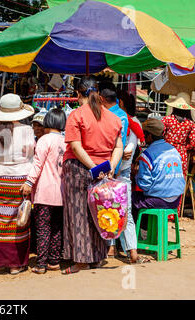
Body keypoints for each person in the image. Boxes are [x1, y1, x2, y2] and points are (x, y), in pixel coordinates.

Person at [62, 76, 123, 274]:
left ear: (79, 94)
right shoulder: (114, 118)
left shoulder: (76, 115)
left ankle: (81, 260)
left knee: (78, 214)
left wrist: (93, 168)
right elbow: (118, 147)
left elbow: (75, 146)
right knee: (100, 214)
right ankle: (97, 257)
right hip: (104, 170)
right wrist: (109, 167)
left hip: (79, 169)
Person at [0, 93, 35, 277]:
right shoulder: (27, 130)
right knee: (17, 221)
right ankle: (14, 264)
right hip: (19, 179)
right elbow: (31, 154)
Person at [100, 88, 147, 264]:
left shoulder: (109, 119)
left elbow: (127, 150)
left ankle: (112, 247)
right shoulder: (133, 122)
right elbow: (129, 150)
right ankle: (132, 251)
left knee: (109, 208)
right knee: (123, 210)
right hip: (123, 171)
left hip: (110, 169)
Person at [21, 108, 66, 274]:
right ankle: (54, 261)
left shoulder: (44, 140)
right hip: (61, 192)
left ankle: (41, 263)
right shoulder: (66, 141)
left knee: (42, 228)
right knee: (56, 228)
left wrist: (29, 182)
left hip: (44, 192)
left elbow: (37, 164)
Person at [133, 119, 185, 220]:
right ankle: (150, 232)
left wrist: (136, 175)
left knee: (131, 198)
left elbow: (145, 186)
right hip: (176, 199)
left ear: (149, 136)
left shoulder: (147, 155)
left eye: (144, 135)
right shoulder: (173, 150)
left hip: (160, 199)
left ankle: (142, 233)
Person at [162, 92, 195, 177]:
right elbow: (193, 143)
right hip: (181, 154)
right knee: (179, 177)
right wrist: (182, 147)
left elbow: (160, 136)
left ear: (174, 106)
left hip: (166, 152)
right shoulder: (190, 123)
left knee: (165, 176)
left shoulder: (167, 120)